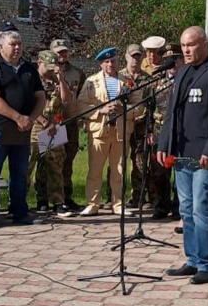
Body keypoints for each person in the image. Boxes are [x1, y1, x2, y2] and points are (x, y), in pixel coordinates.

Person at [157, 26, 208, 285]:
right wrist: (164, 143)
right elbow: (172, 113)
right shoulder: (183, 72)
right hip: (180, 152)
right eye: (183, 45)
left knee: (201, 208)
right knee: (186, 209)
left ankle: (207, 264)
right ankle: (192, 259)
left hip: (202, 156)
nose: (186, 50)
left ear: (204, 44)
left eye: (190, 44)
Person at [0, 31, 46, 227]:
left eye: (19, 43)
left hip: (23, 129)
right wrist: (18, 117)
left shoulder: (29, 68)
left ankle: (19, 212)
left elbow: (41, 97)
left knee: (20, 173)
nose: (17, 47)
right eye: (13, 44)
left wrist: (31, 118)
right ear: (1, 46)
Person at [76, 48, 141, 216]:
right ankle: (92, 204)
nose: (110, 64)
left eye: (113, 61)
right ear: (101, 64)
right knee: (95, 170)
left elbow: (140, 106)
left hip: (120, 131)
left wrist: (124, 109)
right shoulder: (91, 82)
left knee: (119, 169)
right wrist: (101, 110)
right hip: (99, 131)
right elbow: (80, 106)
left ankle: (118, 203)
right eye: (106, 62)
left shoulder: (127, 82)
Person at [29, 51, 74, 217]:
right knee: (31, 164)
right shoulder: (31, 79)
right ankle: (25, 202)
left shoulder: (57, 80)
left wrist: (61, 79)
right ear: (39, 63)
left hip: (55, 126)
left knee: (55, 164)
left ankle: (58, 202)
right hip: (35, 125)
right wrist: (43, 122)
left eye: (53, 68)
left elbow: (67, 99)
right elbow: (28, 104)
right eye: (47, 68)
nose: (50, 71)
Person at [50, 38, 86, 209]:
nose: (62, 55)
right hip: (52, 124)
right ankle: (46, 198)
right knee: (50, 162)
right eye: (58, 52)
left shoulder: (77, 72)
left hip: (70, 123)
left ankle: (67, 196)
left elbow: (80, 96)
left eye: (64, 51)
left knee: (68, 161)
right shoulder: (45, 71)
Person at [151, 43, 182, 226]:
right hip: (159, 131)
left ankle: (179, 207)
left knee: (181, 172)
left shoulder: (187, 80)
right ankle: (161, 205)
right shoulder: (156, 82)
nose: (171, 65)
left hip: (180, 133)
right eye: (167, 61)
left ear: (180, 61)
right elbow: (149, 108)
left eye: (174, 61)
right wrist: (148, 131)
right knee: (159, 172)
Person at [120, 44, 152, 210]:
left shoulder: (147, 79)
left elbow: (150, 104)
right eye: (132, 56)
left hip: (140, 125)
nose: (135, 59)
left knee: (140, 161)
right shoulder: (118, 77)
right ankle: (116, 197)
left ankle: (138, 196)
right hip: (122, 124)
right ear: (126, 57)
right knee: (119, 161)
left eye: (138, 56)